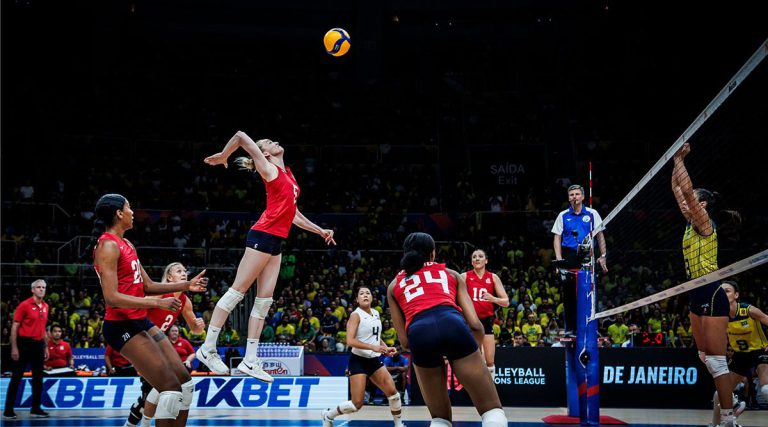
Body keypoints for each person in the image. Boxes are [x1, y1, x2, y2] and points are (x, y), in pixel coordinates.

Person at [197, 130, 336, 381]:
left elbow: (292, 214)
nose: (275, 141)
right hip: (262, 236)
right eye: (270, 142)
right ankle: (207, 348)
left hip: (276, 242)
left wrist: (319, 231)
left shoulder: (288, 175)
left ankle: (250, 360)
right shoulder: (268, 168)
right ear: (265, 153)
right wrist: (224, 155)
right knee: (237, 292)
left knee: (263, 303)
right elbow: (240, 136)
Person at [92, 193, 208, 427]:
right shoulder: (107, 245)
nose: (133, 212)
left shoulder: (127, 244)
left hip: (139, 320)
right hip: (121, 325)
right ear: (119, 213)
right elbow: (112, 298)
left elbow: (148, 286)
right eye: (129, 207)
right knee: (170, 388)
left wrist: (186, 285)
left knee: (185, 383)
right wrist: (157, 303)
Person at [387, 232, 507, 427]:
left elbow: (405, 342)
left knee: (440, 419)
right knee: (492, 411)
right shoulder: (451, 274)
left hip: (419, 333)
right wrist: (469, 353)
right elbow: (476, 325)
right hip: (453, 325)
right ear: (433, 254)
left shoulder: (393, 285)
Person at [671, 143, 737, 427]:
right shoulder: (689, 221)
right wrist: (676, 162)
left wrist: (679, 159)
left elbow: (686, 191)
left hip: (711, 291)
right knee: (705, 357)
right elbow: (678, 191)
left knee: (717, 361)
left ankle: (728, 418)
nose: (687, 204)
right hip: (694, 292)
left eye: (693, 201)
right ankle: (725, 399)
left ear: (703, 205)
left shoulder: (704, 222)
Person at [125, 261, 207, 427]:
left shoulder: (185, 301)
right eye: (178, 271)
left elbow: (195, 330)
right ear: (169, 277)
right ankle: (142, 422)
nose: (184, 273)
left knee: (164, 387)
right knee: (159, 388)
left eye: (185, 271)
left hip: (157, 345)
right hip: (140, 341)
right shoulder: (159, 293)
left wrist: (199, 326)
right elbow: (135, 310)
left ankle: (139, 421)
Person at [322, 286, 404, 427]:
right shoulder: (355, 315)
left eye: (368, 293)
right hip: (358, 361)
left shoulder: (376, 313)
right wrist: (373, 347)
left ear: (372, 298)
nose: (365, 295)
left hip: (374, 360)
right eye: (361, 293)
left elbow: (375, 337)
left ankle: (399, 424)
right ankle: (328, 415)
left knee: (393, 394)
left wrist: (384, 347)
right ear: (357, 299)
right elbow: (350, 341)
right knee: (356, 404)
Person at [551, 184, 607, 336]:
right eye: (571, 195)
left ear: (582, 197)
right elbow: (557, 237)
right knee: (569, 294)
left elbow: (600, 235)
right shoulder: (563, 215)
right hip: (569, 256)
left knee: (590, 291)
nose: (574, 197)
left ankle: (590, 328)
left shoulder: (592, 213)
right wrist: (559, 260)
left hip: (588, 255)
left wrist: (603, 256)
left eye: (577, 194)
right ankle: (570, 329)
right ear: (569, 198)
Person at [711, 281, 767, 426]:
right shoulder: (719, 317)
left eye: (727, 291)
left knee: (766, 389)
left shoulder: (749, 310)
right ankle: (717, 424)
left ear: (736, 295)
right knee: (719, 394)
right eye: (721, 292)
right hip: (740, 356)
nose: (723, 294)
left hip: (759, 351)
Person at [4, 280, 50, 419]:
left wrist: (45, 346)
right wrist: (14, 347)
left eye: (44, 287)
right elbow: (14, 327)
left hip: (38, 345)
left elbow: (43, 328)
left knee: (38, 378)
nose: (42, 289)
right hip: (24, 344)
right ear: (32, 290)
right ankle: (8, 410)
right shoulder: (24, 305)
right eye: (39, 287)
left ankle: (35, 408)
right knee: (16, 377)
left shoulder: (46, 306)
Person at [461, 249, 509, 380]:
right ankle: (475, 387)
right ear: (471, 262)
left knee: (490, 361)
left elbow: (506, 302)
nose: (477, 259)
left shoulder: (493, 277)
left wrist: (493, 299)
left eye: (480, 256)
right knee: (477, 358)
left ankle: (491, 388)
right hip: (470, 321)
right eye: (474, 257)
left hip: (487, 321)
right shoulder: (464, 277)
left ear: (486, 261)